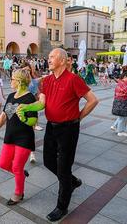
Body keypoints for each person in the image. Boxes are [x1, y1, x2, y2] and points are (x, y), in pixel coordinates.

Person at [17, 48, 99, 222]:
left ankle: (62, 206)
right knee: (48, 160)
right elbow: (41, 104)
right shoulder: (46, 81)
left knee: (63, 167)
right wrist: (27, 107)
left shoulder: (74, 79)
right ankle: (72, 181)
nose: (49, 59)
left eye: (52, 57)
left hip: (68, 129)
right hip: (51, 127)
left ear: (62, 60)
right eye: (48, 57)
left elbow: (93, 100)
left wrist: (78, 117)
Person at [0, 69, 37, 205]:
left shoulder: (29, 98)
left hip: (24, 138)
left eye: (12, 79)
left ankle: (18, 193)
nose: (10, 81)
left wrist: (24, 119)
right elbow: (5, 115)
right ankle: (21, 174)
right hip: (10, 136)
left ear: (19, 81)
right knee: (3, 163)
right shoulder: (11, 96)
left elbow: (33, 120)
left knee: (16, 167)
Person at [111, 72, 127, 136]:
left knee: (122, 116)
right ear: (125, 77)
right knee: (123, 117)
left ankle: (115, 126)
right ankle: (120, 131)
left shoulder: (121, 82)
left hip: (119, 101)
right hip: (122, 102)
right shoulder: (123, 84)